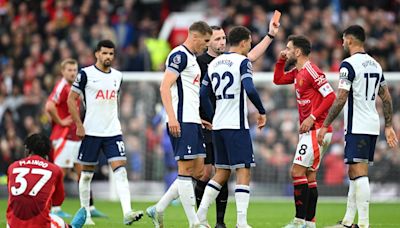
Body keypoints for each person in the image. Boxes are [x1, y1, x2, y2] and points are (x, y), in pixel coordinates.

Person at [195, 18, 279, 228]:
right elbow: (249, 89)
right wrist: (261, 110)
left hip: (219, 126)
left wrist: (214, 115)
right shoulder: (242, 62)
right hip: (236, 126)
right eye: (249, 42)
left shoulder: (214, 63)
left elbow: (203, 93)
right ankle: (241, 222)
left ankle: (201, 216)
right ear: (243, 42)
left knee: (221, 172)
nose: (250, 45)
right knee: (243, 170)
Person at [318, 25, 398, 228]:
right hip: (372, 124)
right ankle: (347, 221)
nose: (342, 43)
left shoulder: (349, 65)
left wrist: (326, 124)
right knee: (354, 172)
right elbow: (386, 97)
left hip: (357, 125)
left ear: (350, 40)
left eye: (344, 39)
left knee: (359, 172)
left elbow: (342, 97)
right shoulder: (375, 65)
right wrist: (388, 125)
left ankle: (363, 224)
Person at [67, 40, 143, 226]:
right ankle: (86, 215)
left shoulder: (118, 76)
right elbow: (71, 99)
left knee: (121, 172)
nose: (108, 57)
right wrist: (79, 125)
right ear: (97, 54)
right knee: (86, 175)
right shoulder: (85, 74)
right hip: (91, 132)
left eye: (111, 53)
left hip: (112, 132)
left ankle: (127, 212)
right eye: (105, 53)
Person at [146, 21, 212, 228]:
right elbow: (164, 87)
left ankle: (157, 209)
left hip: (192, 120)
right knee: (185, 170)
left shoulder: (191, 58)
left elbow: (189, 93)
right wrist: (172, 117)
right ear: (195, 37)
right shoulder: (179, 55)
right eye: (206, 41)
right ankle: (194, 223)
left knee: (200, 170)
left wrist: (197, 116)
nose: (207, 46)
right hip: (181, 121)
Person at [273, 35, 336, 228]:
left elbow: (331, 96)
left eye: (289, 48)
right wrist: (281, 60)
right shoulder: (297, 72)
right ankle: (310, 223)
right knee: (309, 176)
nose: (286, 50)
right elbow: (277, 79)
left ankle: (299, 221)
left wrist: (313, 117)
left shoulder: (311, 70)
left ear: (298, 52)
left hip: (316, 130)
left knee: (296, 171)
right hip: (310, 131)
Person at [45, 58, 106, 218]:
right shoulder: (61, 86)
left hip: (74, 137)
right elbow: (49, 106)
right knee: (59, 174)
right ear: (62, 72)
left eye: (74, 70)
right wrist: (61, 121)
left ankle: (89, 207)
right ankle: (53, 209)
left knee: (84, 172)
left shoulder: (74, 87)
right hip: (63, 137)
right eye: (69, 70)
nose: (73, 73)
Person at [6, 133, 86, 228]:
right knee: (57, 220)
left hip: (12, 225)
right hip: (40, 225)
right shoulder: (55, 170)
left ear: (27, 150)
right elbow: (58, 201)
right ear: (48, 153)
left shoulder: (12, 167)